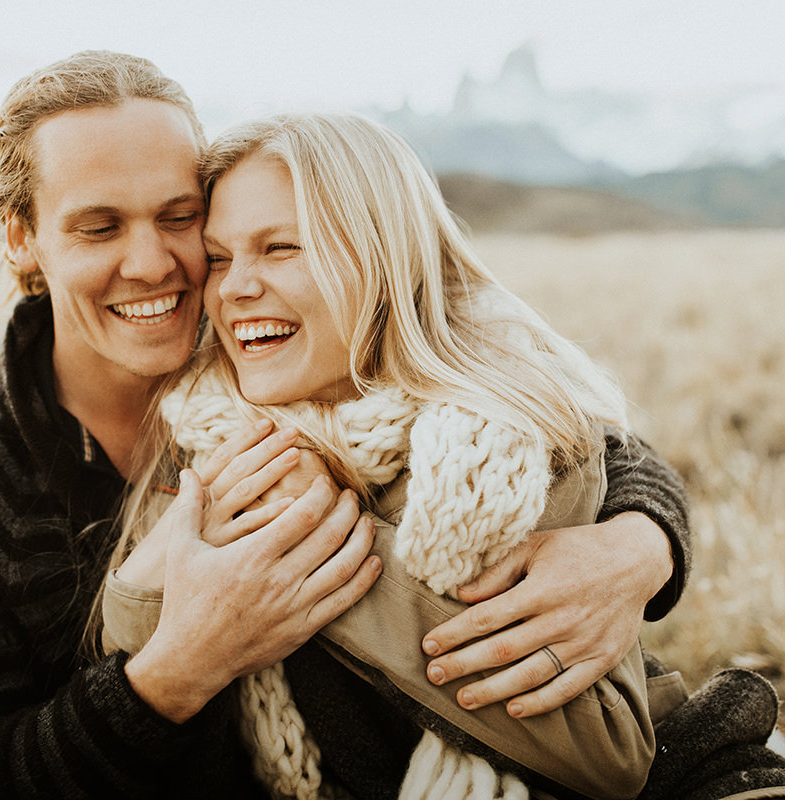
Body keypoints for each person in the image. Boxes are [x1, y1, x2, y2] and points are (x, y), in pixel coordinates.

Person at [0, 51, 694, 798]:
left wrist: (641, 541)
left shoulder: (273, 357)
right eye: (99, 227)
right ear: (22, 237)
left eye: (180, 219)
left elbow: (527, 398)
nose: (156, 265)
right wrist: (179, 668)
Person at [101, 112, 657, 799]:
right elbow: (130, 630)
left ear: (383, 260)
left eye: (281, 248)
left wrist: (307, 539)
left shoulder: (509, 448)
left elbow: (609, 753)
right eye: (218, 257)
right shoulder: (214, 425)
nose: (235, 287)